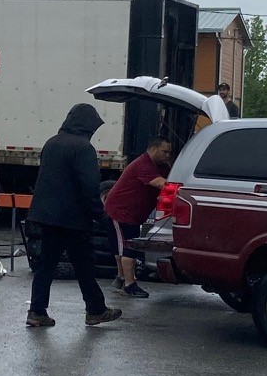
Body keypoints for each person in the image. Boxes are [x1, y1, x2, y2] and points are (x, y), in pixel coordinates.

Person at [27, 103, 124, 330]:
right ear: (87, 125)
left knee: (45, 266)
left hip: (47, 216)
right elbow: (89, 185)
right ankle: (95, 310)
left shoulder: (52, 143)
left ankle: (37, 311)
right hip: (73, 219)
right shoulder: (83, 148)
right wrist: (98, 213)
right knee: (84, 265)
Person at [103, 137, 174, 298]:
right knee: (128, 249)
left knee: (123, 247)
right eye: (164, 151)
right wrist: (186, 188)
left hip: (131, 214)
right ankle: (129, 285)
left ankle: (121, 278)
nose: (167, 155)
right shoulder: (144, 164)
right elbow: (162, 184)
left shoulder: (160, 166)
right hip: (121, 212)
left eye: (169, 152)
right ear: (153, 149)